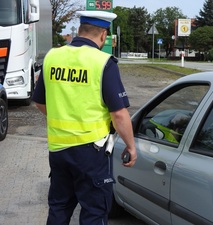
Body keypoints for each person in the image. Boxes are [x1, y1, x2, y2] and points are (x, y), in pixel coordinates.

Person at [32, 10, 137, 225]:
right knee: (94, 212)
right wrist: (131, 146)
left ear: (79, 30)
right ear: (103, 35)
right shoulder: (103, 62)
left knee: (59, 208)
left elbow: (40, 102)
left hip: (58, 150)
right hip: (91, 153)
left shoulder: (52, 56)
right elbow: (118, 114)